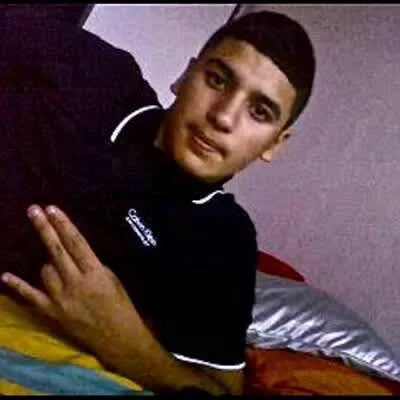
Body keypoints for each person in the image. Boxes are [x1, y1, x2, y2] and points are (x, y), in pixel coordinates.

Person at [0, 6, 316, 395]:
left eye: (259, 111)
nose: (224, 117)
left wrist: (124, 342)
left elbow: (220, 389)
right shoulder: (93, 75)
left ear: (275, 143)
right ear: (185, 76)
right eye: (217, 80)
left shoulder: (223, 241)